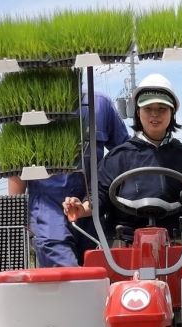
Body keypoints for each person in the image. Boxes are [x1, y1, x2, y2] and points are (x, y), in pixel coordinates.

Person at [63, 74, 182, 243]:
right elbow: (98, 196)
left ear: (173, 112)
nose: (154, 115)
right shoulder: (118, 156)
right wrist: (81, 209)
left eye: (162, 109)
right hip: (124, 244)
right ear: (137, 112)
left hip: (181, 241)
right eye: (148, 109)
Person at [8, 92, 129, 267]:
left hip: (92, 210)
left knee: (97, 276)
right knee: (66, 275)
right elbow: (16, 168)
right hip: (48, 212)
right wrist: (16, 219)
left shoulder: (100, 105)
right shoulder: (27, 109)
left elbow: (124, 154)